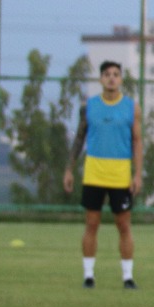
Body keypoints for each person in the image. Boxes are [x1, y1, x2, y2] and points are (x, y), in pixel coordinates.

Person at [62, 61, 143, 289]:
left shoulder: (131, 107)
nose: (111, 78)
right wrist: (69, 168)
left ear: (121, 79)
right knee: (92, 223)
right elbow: (79, 138)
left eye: (116, 74)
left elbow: (138, 141)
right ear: (100, 79)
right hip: (94, 173)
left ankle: (127, 277)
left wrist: (137, 174)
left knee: (124, 225)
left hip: (120, 175)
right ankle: (89, 275)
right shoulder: (89, 106)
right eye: (107, 74)